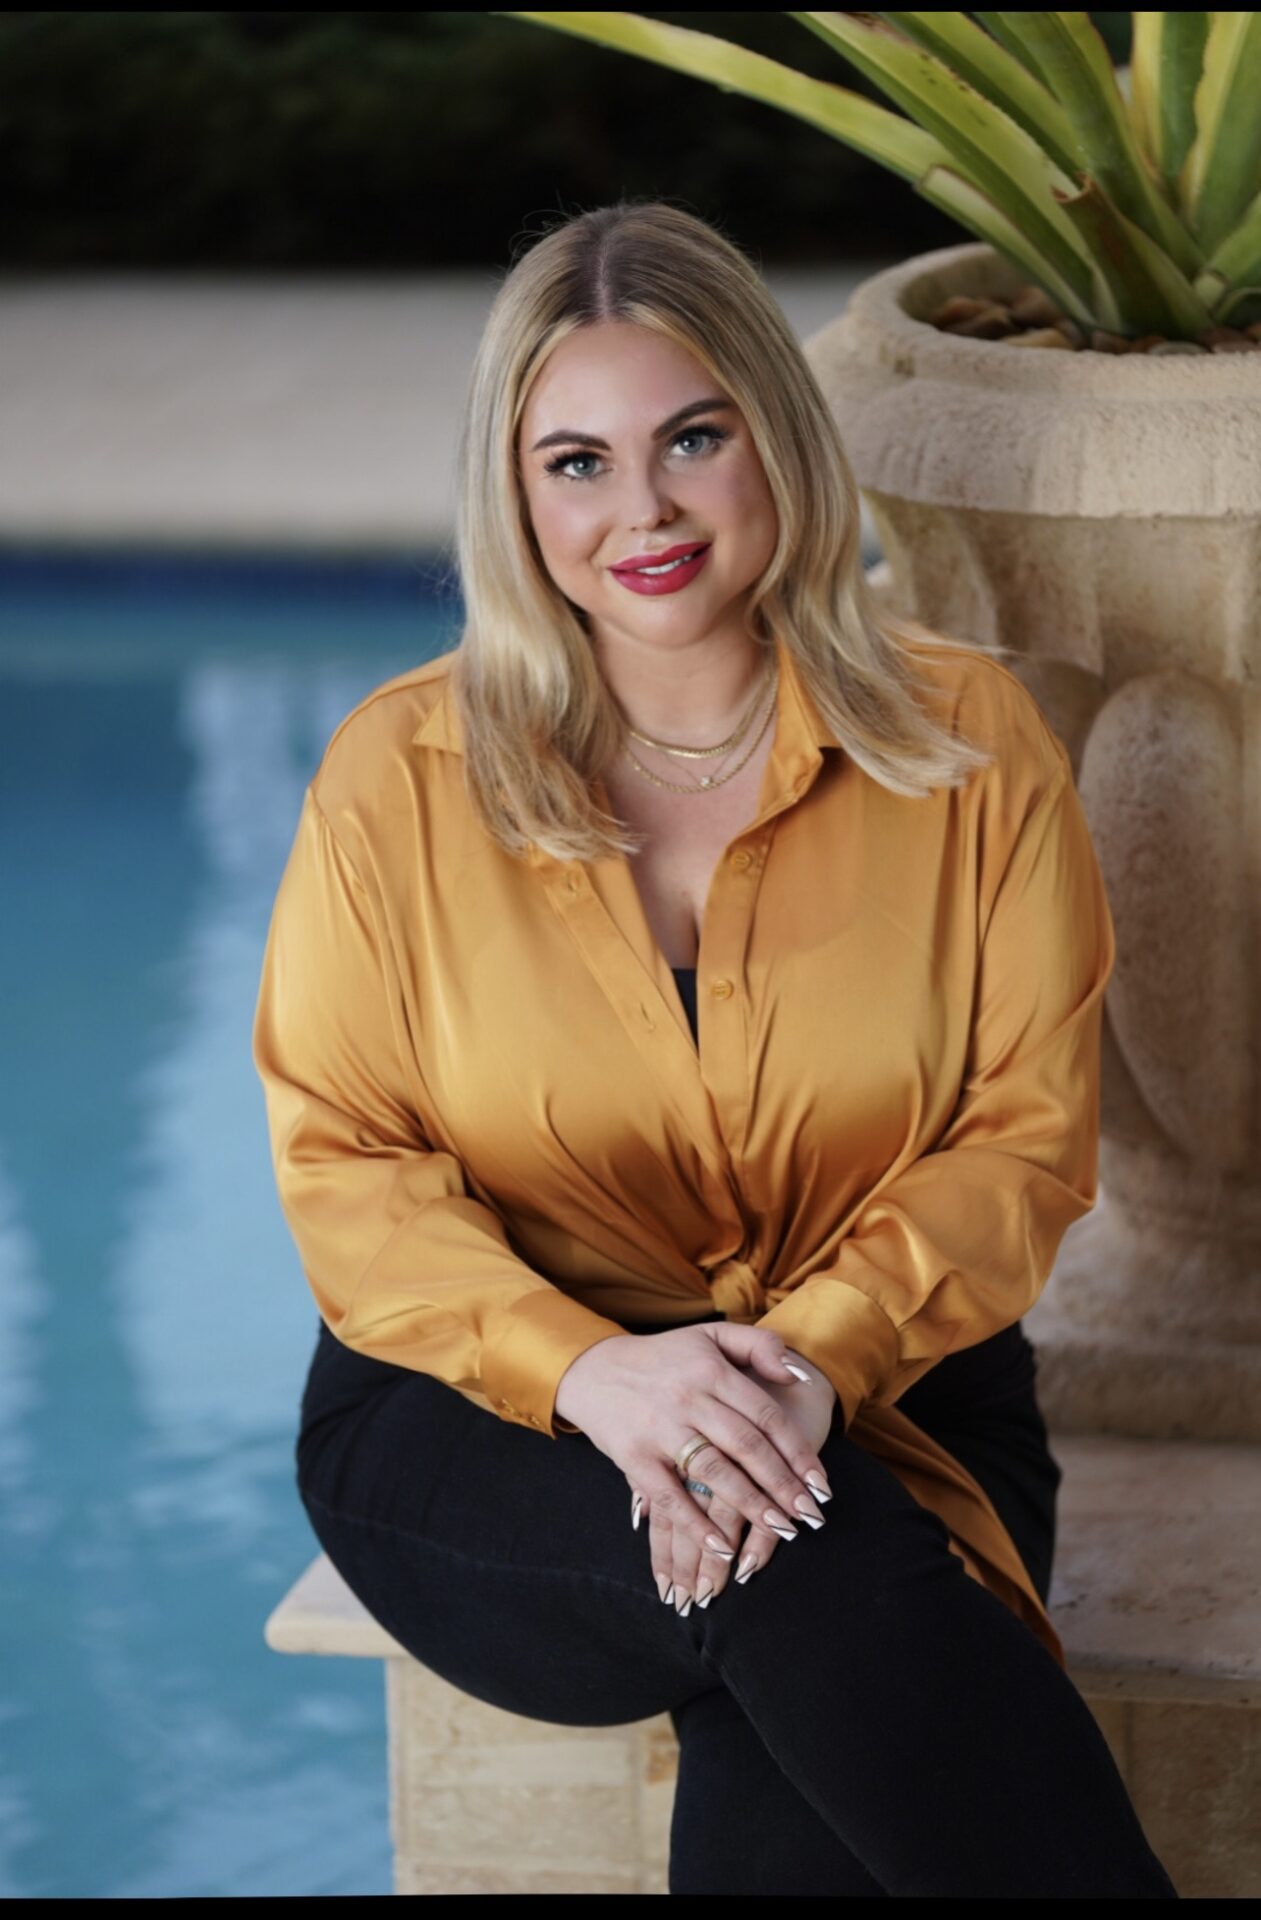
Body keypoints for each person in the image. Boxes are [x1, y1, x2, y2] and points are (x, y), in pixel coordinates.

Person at [252, 198, 1177, 1897]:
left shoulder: (971, 748)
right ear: (513, 496)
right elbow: (346, 1168)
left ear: (773, 434)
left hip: (888, 1389)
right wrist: (600, 1375)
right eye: (575, 463)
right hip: (484, 1417)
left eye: (691, 437)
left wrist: (796, 1369)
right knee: (798, 1557)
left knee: (796, 1584)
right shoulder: (397, 777)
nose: (642, 512)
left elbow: (1018, 1144)